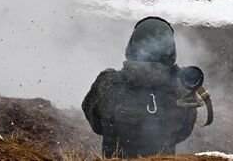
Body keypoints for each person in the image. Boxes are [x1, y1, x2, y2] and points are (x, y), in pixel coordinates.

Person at [82, 17, 199, 158]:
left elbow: (96, 124)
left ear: (131, 47)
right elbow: (183, 133)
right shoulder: (183, 89)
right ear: (171, 51)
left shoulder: (107, 83)